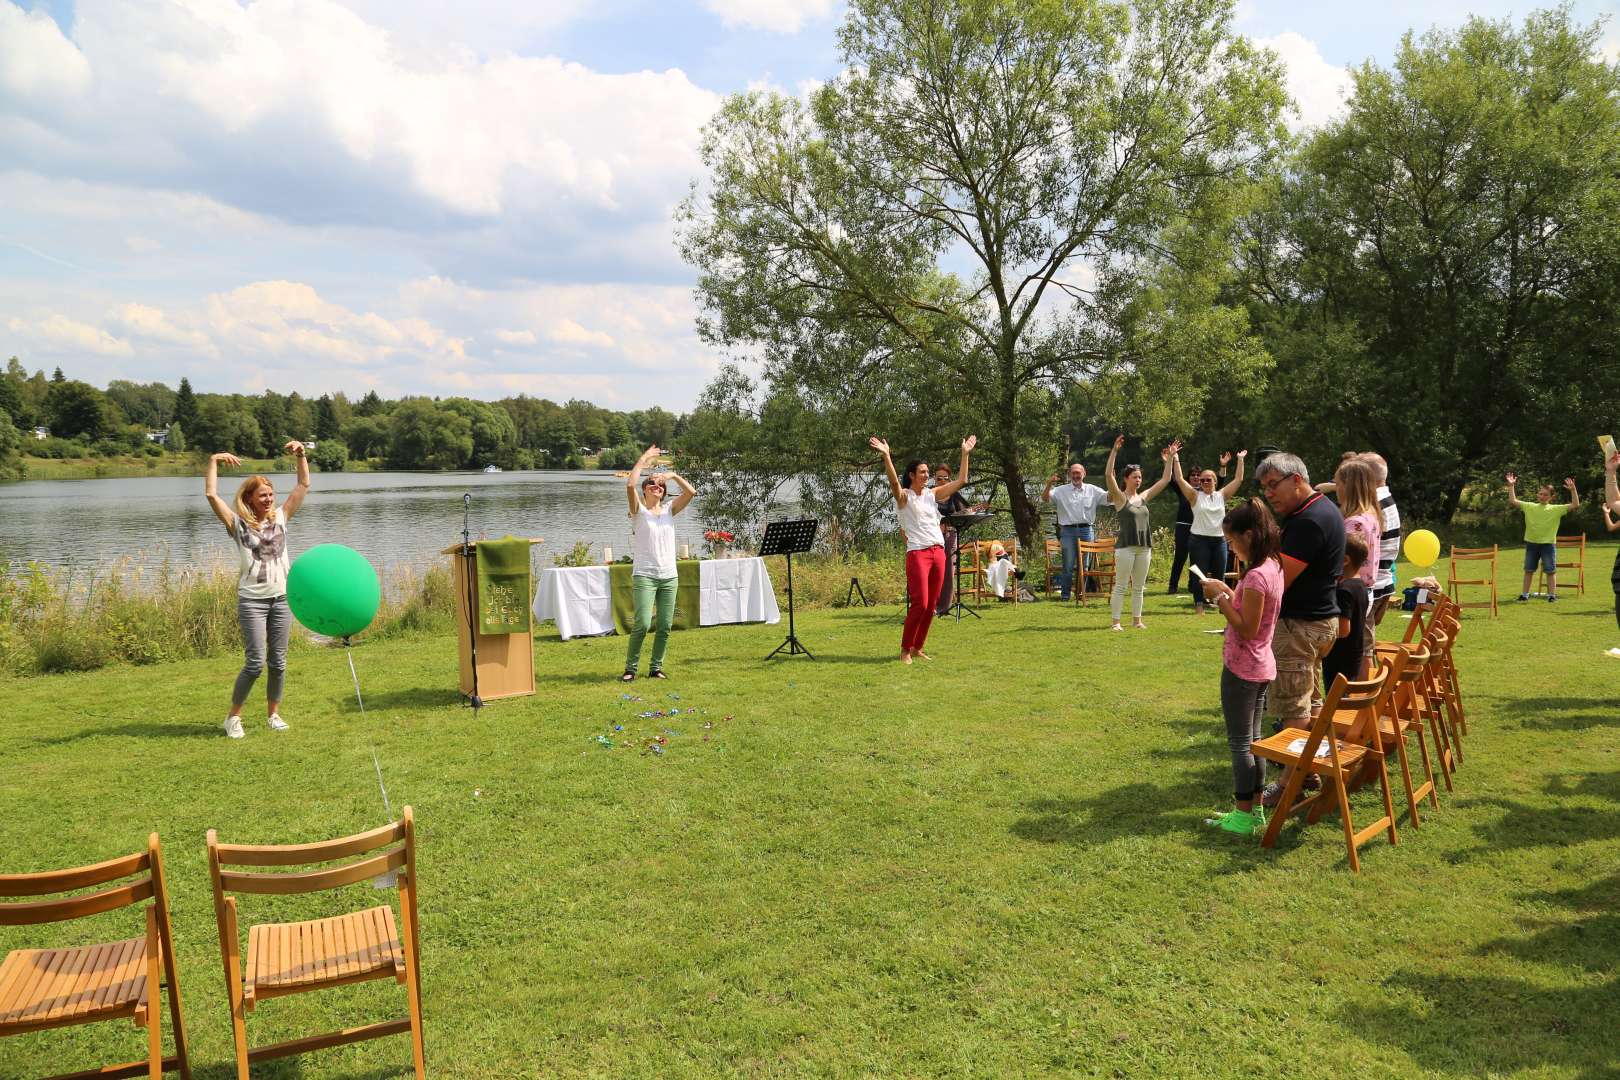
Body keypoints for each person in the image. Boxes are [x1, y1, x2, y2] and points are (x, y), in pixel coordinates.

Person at [1253, 451, 1345, 807]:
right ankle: (1312, 769)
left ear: (1297, 479)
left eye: (1273, 485)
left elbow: (1279, 579)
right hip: (1318, 622)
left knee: (1293, 707)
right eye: (1264, 488)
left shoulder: (1309, 521)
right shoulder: (1320, 510)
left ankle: (1289, 784)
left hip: (1301, 626)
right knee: (1312, 703)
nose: (1269, 494)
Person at [204, 442, 310, 739]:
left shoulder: (281, 519)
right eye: (262, 495)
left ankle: (273, 714)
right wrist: (213, 459)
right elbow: (211, 494)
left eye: (271, 494)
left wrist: (301, 455)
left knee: (278, 662)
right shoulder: (238, 526)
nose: (269, 499)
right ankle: (232, 719)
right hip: (252, 601)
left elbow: (303, 484)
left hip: (282, 599)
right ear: (249, 498)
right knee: (255, 663)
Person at [1198, 498, 1284, 837]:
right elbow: (1251, 612)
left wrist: (1220, 600)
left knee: (1240, 743)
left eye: (1232, 541)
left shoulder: (1259, 575)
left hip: (1243, 668)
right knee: (1256, 740)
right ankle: (1255, 809)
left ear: (1250, 535)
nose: (1231, 547)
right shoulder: (1273, 566)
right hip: (1261, 665)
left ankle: (1244, 813)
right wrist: (1228, 591)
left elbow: (1247, 627)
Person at [872, 434, 977, 663]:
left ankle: (919, 647)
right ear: (911, 475)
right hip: (918, 553)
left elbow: (961, 481)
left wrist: (965, 454)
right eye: (922, 472)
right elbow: (892, 482)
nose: (927, 475)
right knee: (920, 602)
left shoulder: (932, 495)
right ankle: (905, 650)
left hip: (938, 551)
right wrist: (887, 456)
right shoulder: (904, 498)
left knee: (931, 606)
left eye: (928, 472)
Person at [622, 445, 696, 682]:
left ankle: (656, 668)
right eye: (652, 484)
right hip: (645, 575)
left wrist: (672, 475)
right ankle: (630, 669)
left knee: (664, 625)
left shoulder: (668, 511)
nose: (657, 487)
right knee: (642, 624)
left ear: (664, 493)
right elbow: (629, 485)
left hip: (669, 576)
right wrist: (644, 459)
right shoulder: (638, 511)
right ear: (645, 490)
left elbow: (691, 492)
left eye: (661, 486)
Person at [1103, 435, 1179, 630]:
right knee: (1121, 586)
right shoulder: (1120, 499)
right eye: (1135, 477)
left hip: (1144, 548)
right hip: (1126, 548)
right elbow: (1108, 476)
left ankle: (1137, 621)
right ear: (1126, 478)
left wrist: (1171, 457)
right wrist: (1114, 451)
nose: (1138, 480)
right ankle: (1116, 623)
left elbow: (1165, 479)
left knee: (1138, 588)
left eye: (1140, 477)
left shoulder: (1144, 497)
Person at [1170, 449, 1246, 614]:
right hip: (1199, 541)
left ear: (1214, 481)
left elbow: (1239, 479)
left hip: (1219, 541)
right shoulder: (1194, 496)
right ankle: (1199, 604)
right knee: (1200, 575)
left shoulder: (1222, 495)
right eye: (1202, 479)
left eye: (1208, 479)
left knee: (1219, 575)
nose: (1204, 482)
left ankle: (1221, 605)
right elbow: (1180, 479)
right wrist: (1175, 458)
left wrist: (1240, 460)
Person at [1507, 471, 1579, 601]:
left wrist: (1573, 490)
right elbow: (1512, 500)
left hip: (1548, 544)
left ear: (1552, 497)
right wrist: (1511, 486)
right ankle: (1524, 595)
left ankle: (1552, 595)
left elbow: (1575, 505)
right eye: (1540, 494)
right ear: (1537, 495)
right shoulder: (1529, 506)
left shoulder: (1556, 509)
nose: (1542, 496)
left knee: (1550, 571)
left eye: (1546, 495)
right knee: (1528, 570)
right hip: (1532, 543)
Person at [1043, 463, 1108, 600]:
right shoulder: (1060, 490)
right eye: (1073, 473)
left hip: (1086, 530)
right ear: (1069, 475)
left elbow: (1111, 499)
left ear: (1084, 474)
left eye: (1078, 473)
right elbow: (1045, 498)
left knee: (1084, 566)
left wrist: (1112, 482)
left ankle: (1080, 594)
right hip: (1067, 531)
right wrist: (1049, 483)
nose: (1076, 475)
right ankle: (1065, 596)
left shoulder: (1093, 490)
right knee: (1067, 565)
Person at [933, 463, 989, 617]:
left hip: (950, 536)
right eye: (939, 478)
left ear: (949, 479)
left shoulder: (954, 495)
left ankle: (944, 607)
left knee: (948, 571)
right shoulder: (929, 495)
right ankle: (930, 605)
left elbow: (964, 511)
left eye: (945, 478)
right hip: (932, 537)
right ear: (934, 479)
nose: (942, 481)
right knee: (933, 571)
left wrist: (978, 508)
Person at [1322, 534, 1373, 693]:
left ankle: (1334, 718)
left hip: (1339, 658)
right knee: (1342, 695)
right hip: (1353, 654)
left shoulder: (1345, 590)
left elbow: (1343, 630)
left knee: (1336, 697)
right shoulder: (1360, 586)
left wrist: (1321, 636)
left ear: (1344, 560)